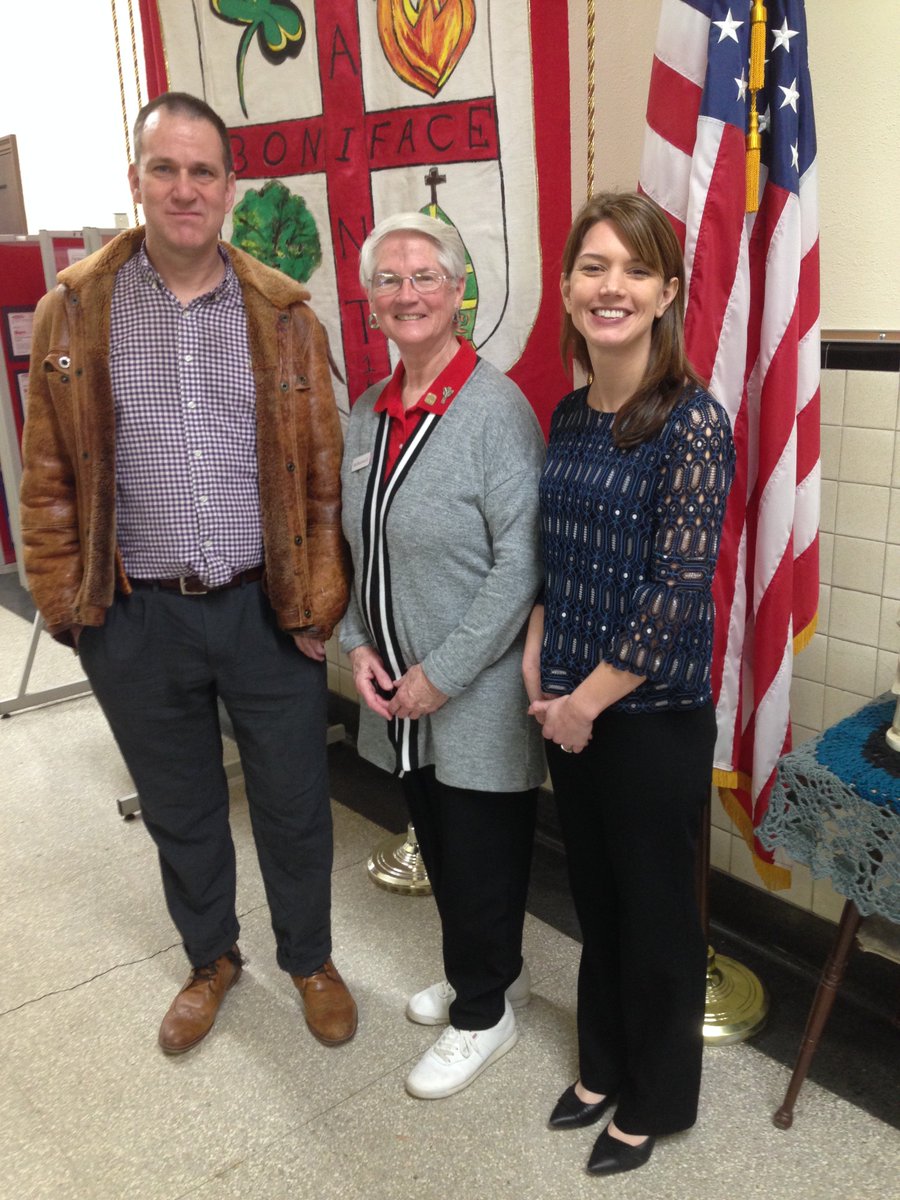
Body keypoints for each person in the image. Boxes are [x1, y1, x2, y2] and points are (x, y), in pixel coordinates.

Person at [20, 92, 357, 1055]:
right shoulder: (74, 311)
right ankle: (211, 958)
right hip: (135, 615)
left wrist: (319, 599)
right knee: (181, 807)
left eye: (202, 171)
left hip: (266, 606)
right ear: (135, 181)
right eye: (163, 169)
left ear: (229, 189)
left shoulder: (285, 313)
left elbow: (322, 480)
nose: (183, 189)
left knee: (294, 800)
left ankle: (311, 957)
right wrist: (70, 611)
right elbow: (46, 477)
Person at [524, 192, 735, 1175]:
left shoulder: (692, 423)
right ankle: (602, 1064)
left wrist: (582, 703)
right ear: (568, 291)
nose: (612, 287)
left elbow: (676, 594)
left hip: (644, 718)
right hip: (565, 702)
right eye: (594, 268)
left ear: (666, 294)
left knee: (655, 917)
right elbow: (555, 553)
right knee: (596, 901)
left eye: (635, 270)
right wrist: (537, 651)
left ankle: (656, 1098)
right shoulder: (567, 414)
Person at [340, 212, 546, 1099]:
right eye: (389, 279)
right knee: (440, 843)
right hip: (396, 696)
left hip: (473, 692)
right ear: (370, 301)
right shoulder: (367, 412)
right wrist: (355, 644)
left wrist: (444, 672)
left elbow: (523, 563)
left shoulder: (497, 410)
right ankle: (491, 977)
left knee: (480, 853)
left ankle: (482, 1015)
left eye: (425, 276)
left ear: (459, 292)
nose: (407, 292)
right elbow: (359, 544)